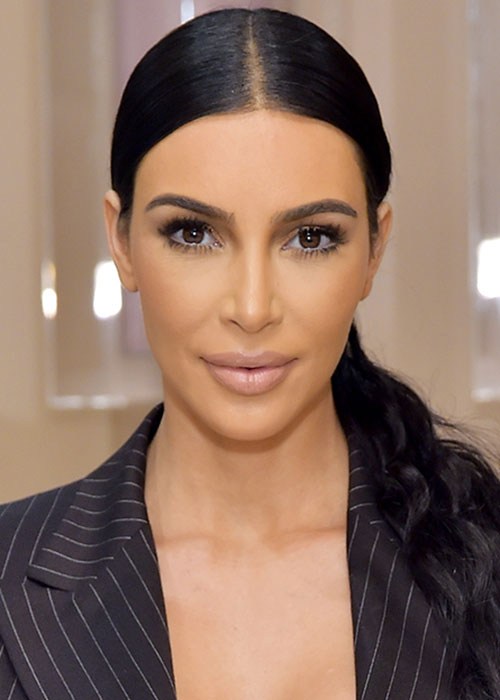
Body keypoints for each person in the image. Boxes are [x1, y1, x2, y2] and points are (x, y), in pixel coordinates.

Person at [0, 7, 499, 699]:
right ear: (121, 241)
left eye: (311, 238)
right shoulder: (9, 576)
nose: (254, 306)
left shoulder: (484, 562)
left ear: (373, 249)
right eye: (193, 233)